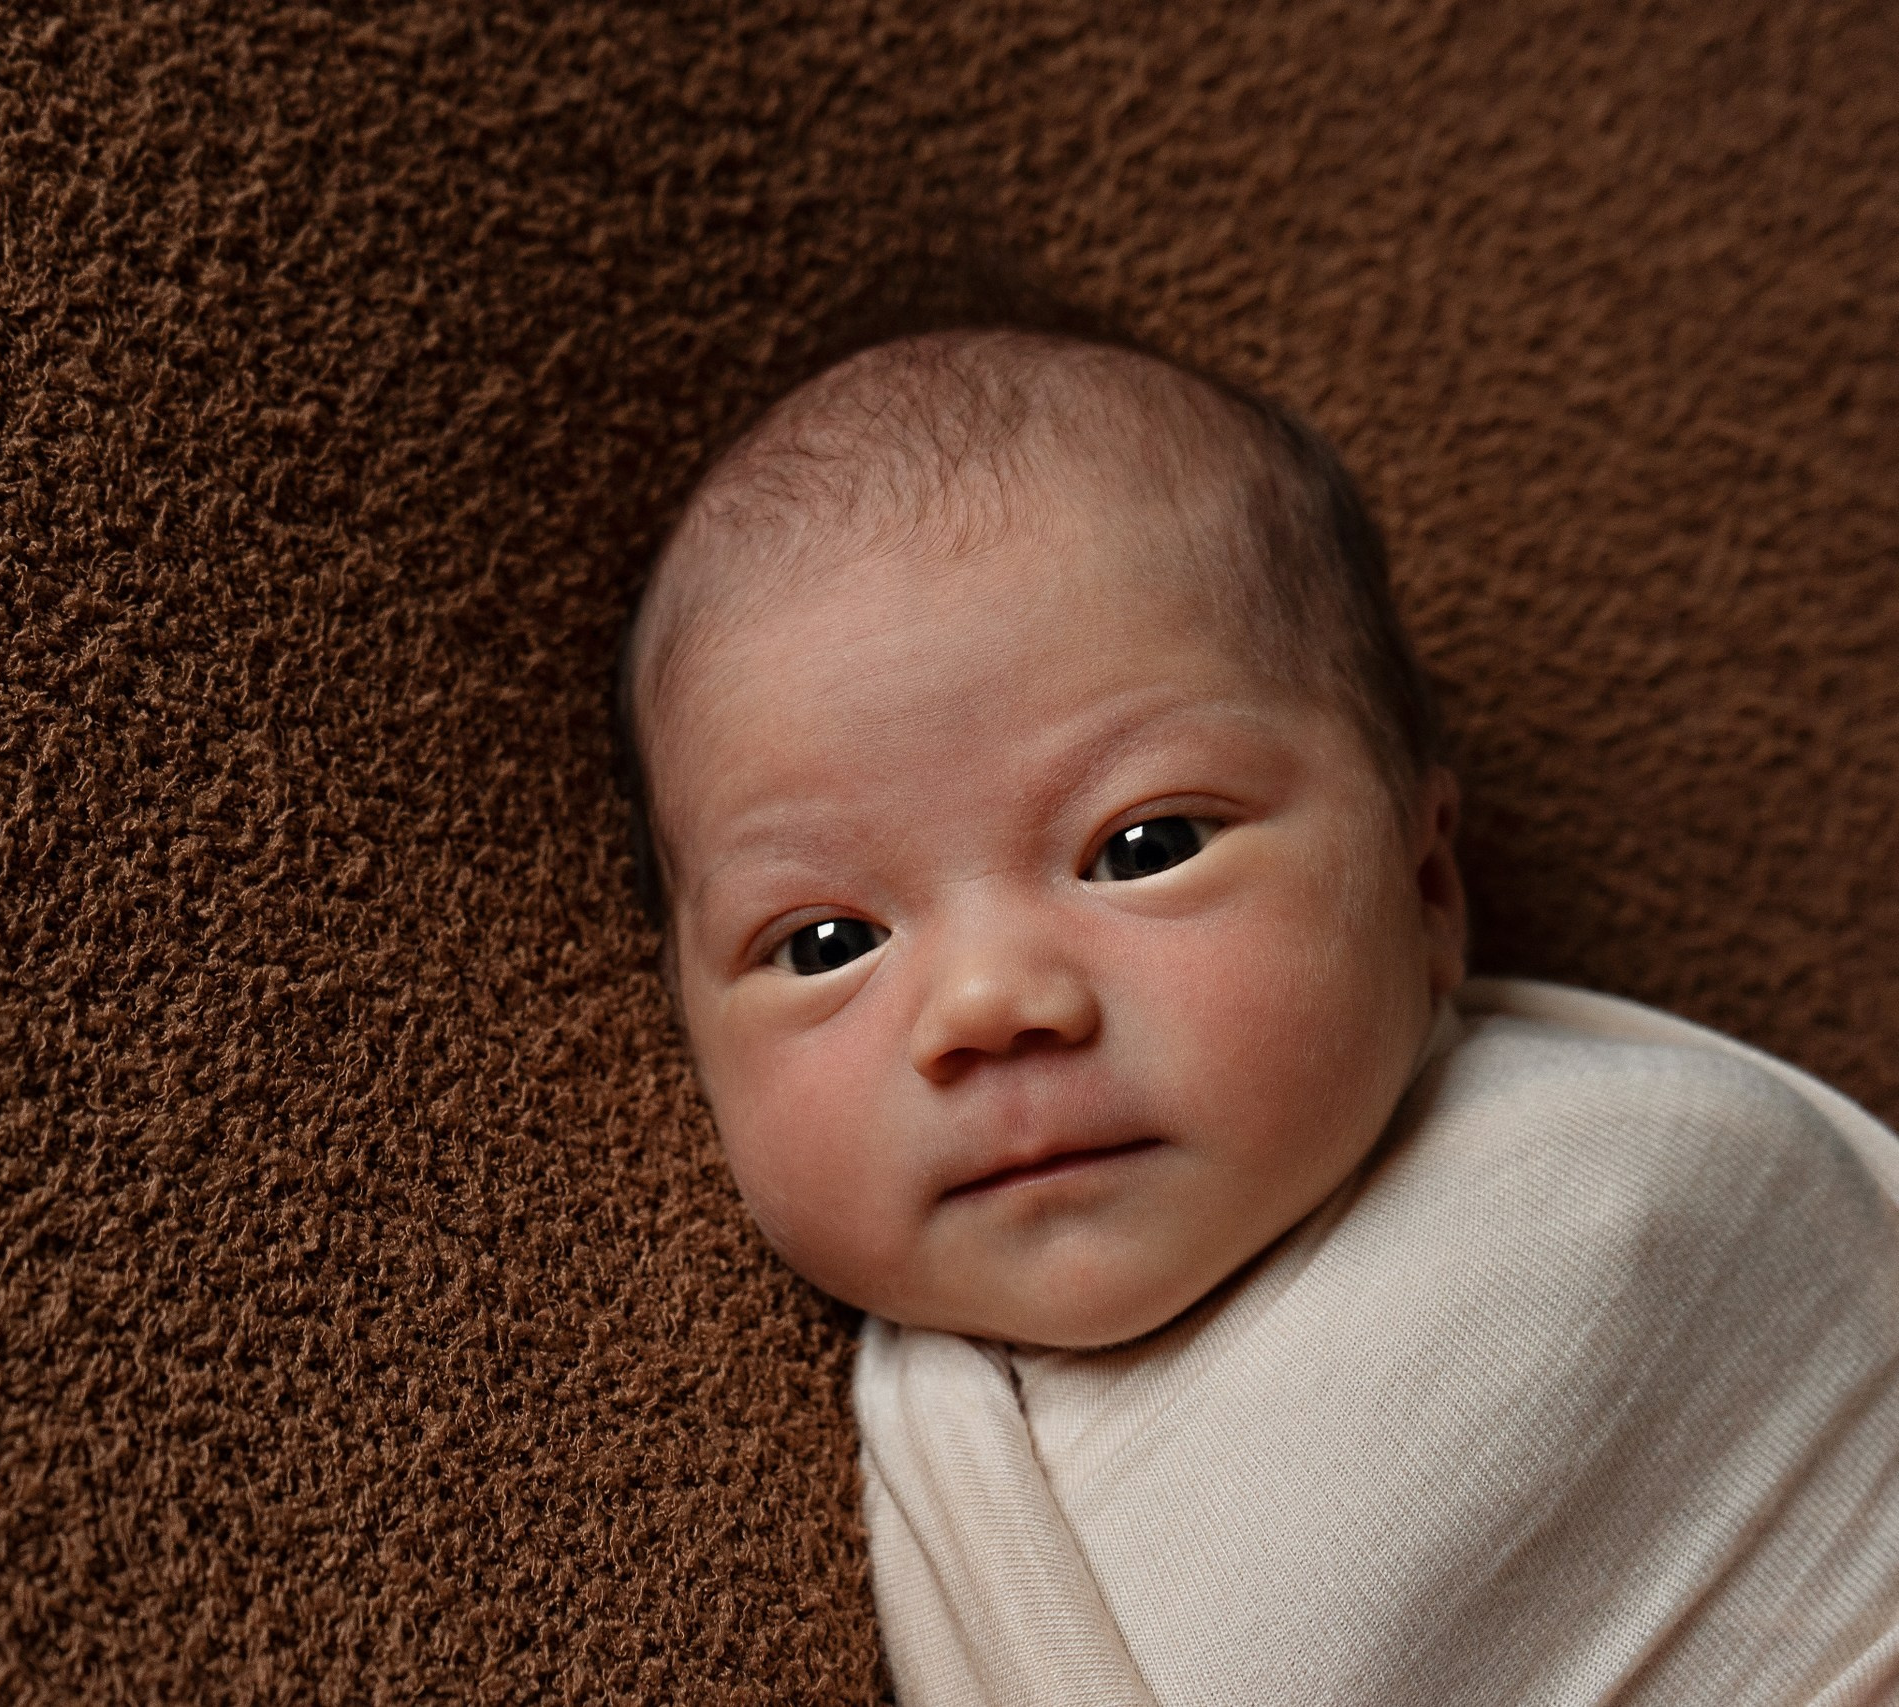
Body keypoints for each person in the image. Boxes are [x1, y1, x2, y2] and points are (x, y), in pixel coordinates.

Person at [616, 326, 1899, 1704]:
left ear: (1425, 884)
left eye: (1147, 846)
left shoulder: (1645, 1197)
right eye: (825, 943)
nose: (989, 1006)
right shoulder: (911, 1464)